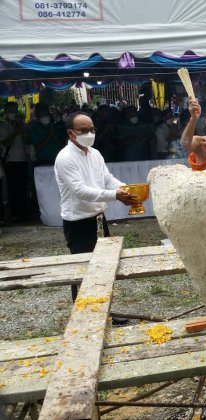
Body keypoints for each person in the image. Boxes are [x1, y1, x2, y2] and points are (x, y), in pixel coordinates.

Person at [54, 112, 138, 300]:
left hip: (99, 218)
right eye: (84, 130)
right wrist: (115, 195)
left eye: (92, 129)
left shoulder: (95, 153)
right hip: (78, 222)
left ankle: (104, 309)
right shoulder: (65, 157)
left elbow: (107, 179)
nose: (90, 133)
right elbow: (80, 191)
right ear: (71, 133)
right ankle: (82, 315)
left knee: (104, 267)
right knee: (83, 270)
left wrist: (125, 189)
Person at [0, 101, 31, 222]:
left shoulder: (22, 125)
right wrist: (16, 132)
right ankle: (15, 212)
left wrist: (21, 130)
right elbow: (4, 143)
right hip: (10, 160)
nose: (14, 112)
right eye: (12, 110)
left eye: (15, 110)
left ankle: (24, 212)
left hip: (22, 159)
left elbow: (27, 140)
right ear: (6, 112)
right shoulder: (3, 126)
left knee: (23, 186)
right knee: (13, 187)